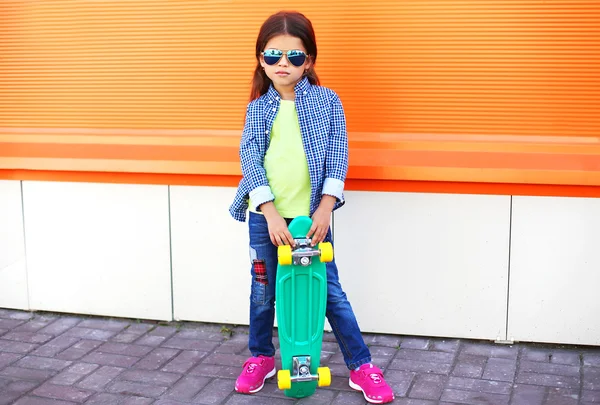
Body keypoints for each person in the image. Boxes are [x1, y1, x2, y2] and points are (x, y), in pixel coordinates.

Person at [228, 10, 395, 404]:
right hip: (265, 219)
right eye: (272, 56)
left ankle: (361, 365)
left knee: (329, 292)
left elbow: (338, 154)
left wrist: (325, 209)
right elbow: (249, 157)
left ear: (310, 60)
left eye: (294, 56)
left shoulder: (326, 102)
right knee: (262, 290)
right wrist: (268, 211)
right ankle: (262, 358)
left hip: (310, 222)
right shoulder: (257, 108)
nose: (282, 64)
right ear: (261, 59)